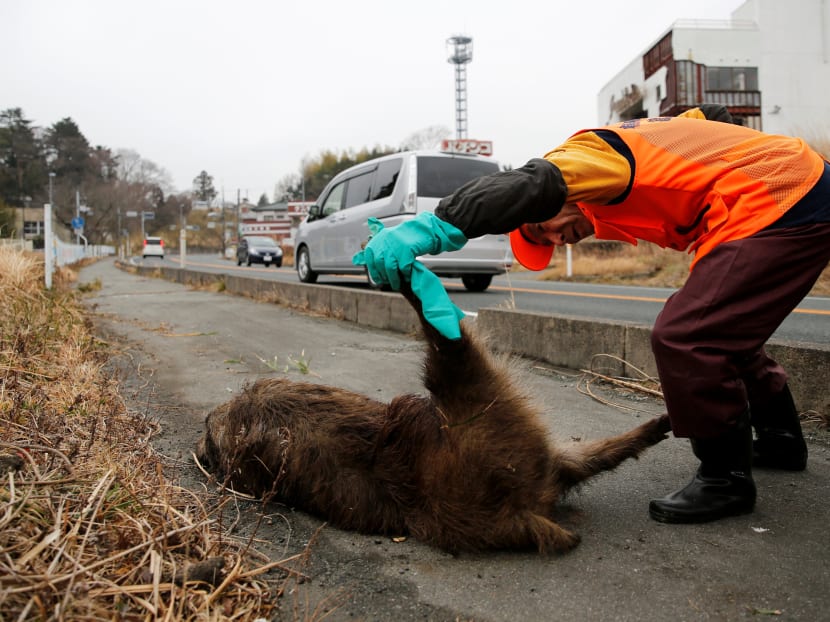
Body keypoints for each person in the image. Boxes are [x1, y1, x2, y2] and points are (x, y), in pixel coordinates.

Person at [353, 104, 830, 524]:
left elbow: (532, 183)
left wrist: (435, 227)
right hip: (786, 191)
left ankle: (725, 479)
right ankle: (781, 438)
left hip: (778, 197)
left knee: (688, 335)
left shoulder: (588, 157)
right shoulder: (649, 142)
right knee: (725, 330)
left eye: (544, 226)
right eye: (549, 243)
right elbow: (708, 118)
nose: (559, 238)